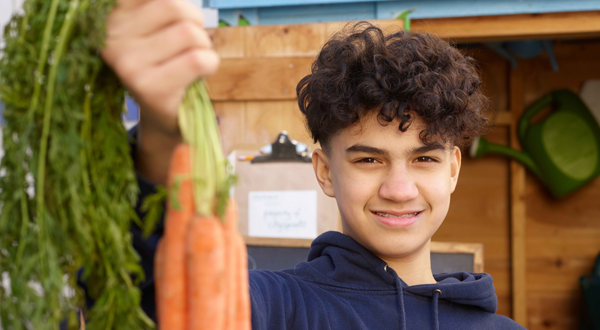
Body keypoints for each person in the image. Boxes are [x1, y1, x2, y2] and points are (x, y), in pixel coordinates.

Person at [101, 1, 526, 329]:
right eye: (369, 160)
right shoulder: (274, 308)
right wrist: (163, 137)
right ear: (324, 170)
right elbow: (155, 298)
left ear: (452, 169)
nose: (399, 189)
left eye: (424, 159)